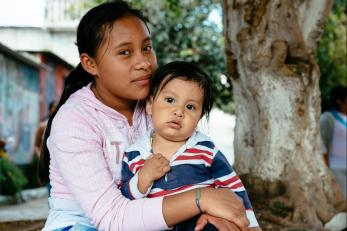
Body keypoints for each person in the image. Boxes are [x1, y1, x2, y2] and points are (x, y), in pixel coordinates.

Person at [39, 1, 250, 231]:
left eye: (147, 48)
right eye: (125, 53)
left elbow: (196, 166)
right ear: (90, 64)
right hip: (83, 225)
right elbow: (114, 219)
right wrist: (201, 200)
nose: (144, 63)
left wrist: (214, 212)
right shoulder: (74, 121)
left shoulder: (161, 102)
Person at [120, 61, 260, 231]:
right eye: (170, 100)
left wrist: (251, 226)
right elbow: (125, 200)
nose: (179, 111)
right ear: (150, 105)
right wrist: (143, 177)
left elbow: (233, 188)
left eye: (190, 107)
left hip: (202, 224)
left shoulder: (205, 149)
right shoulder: (134, 154)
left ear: (199, 117)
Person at [320, 85, 347, 197]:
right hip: (335, 166)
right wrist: (325, 162)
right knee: (343, 196)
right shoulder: (328, 118)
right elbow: (320, 140)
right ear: (339, 101)